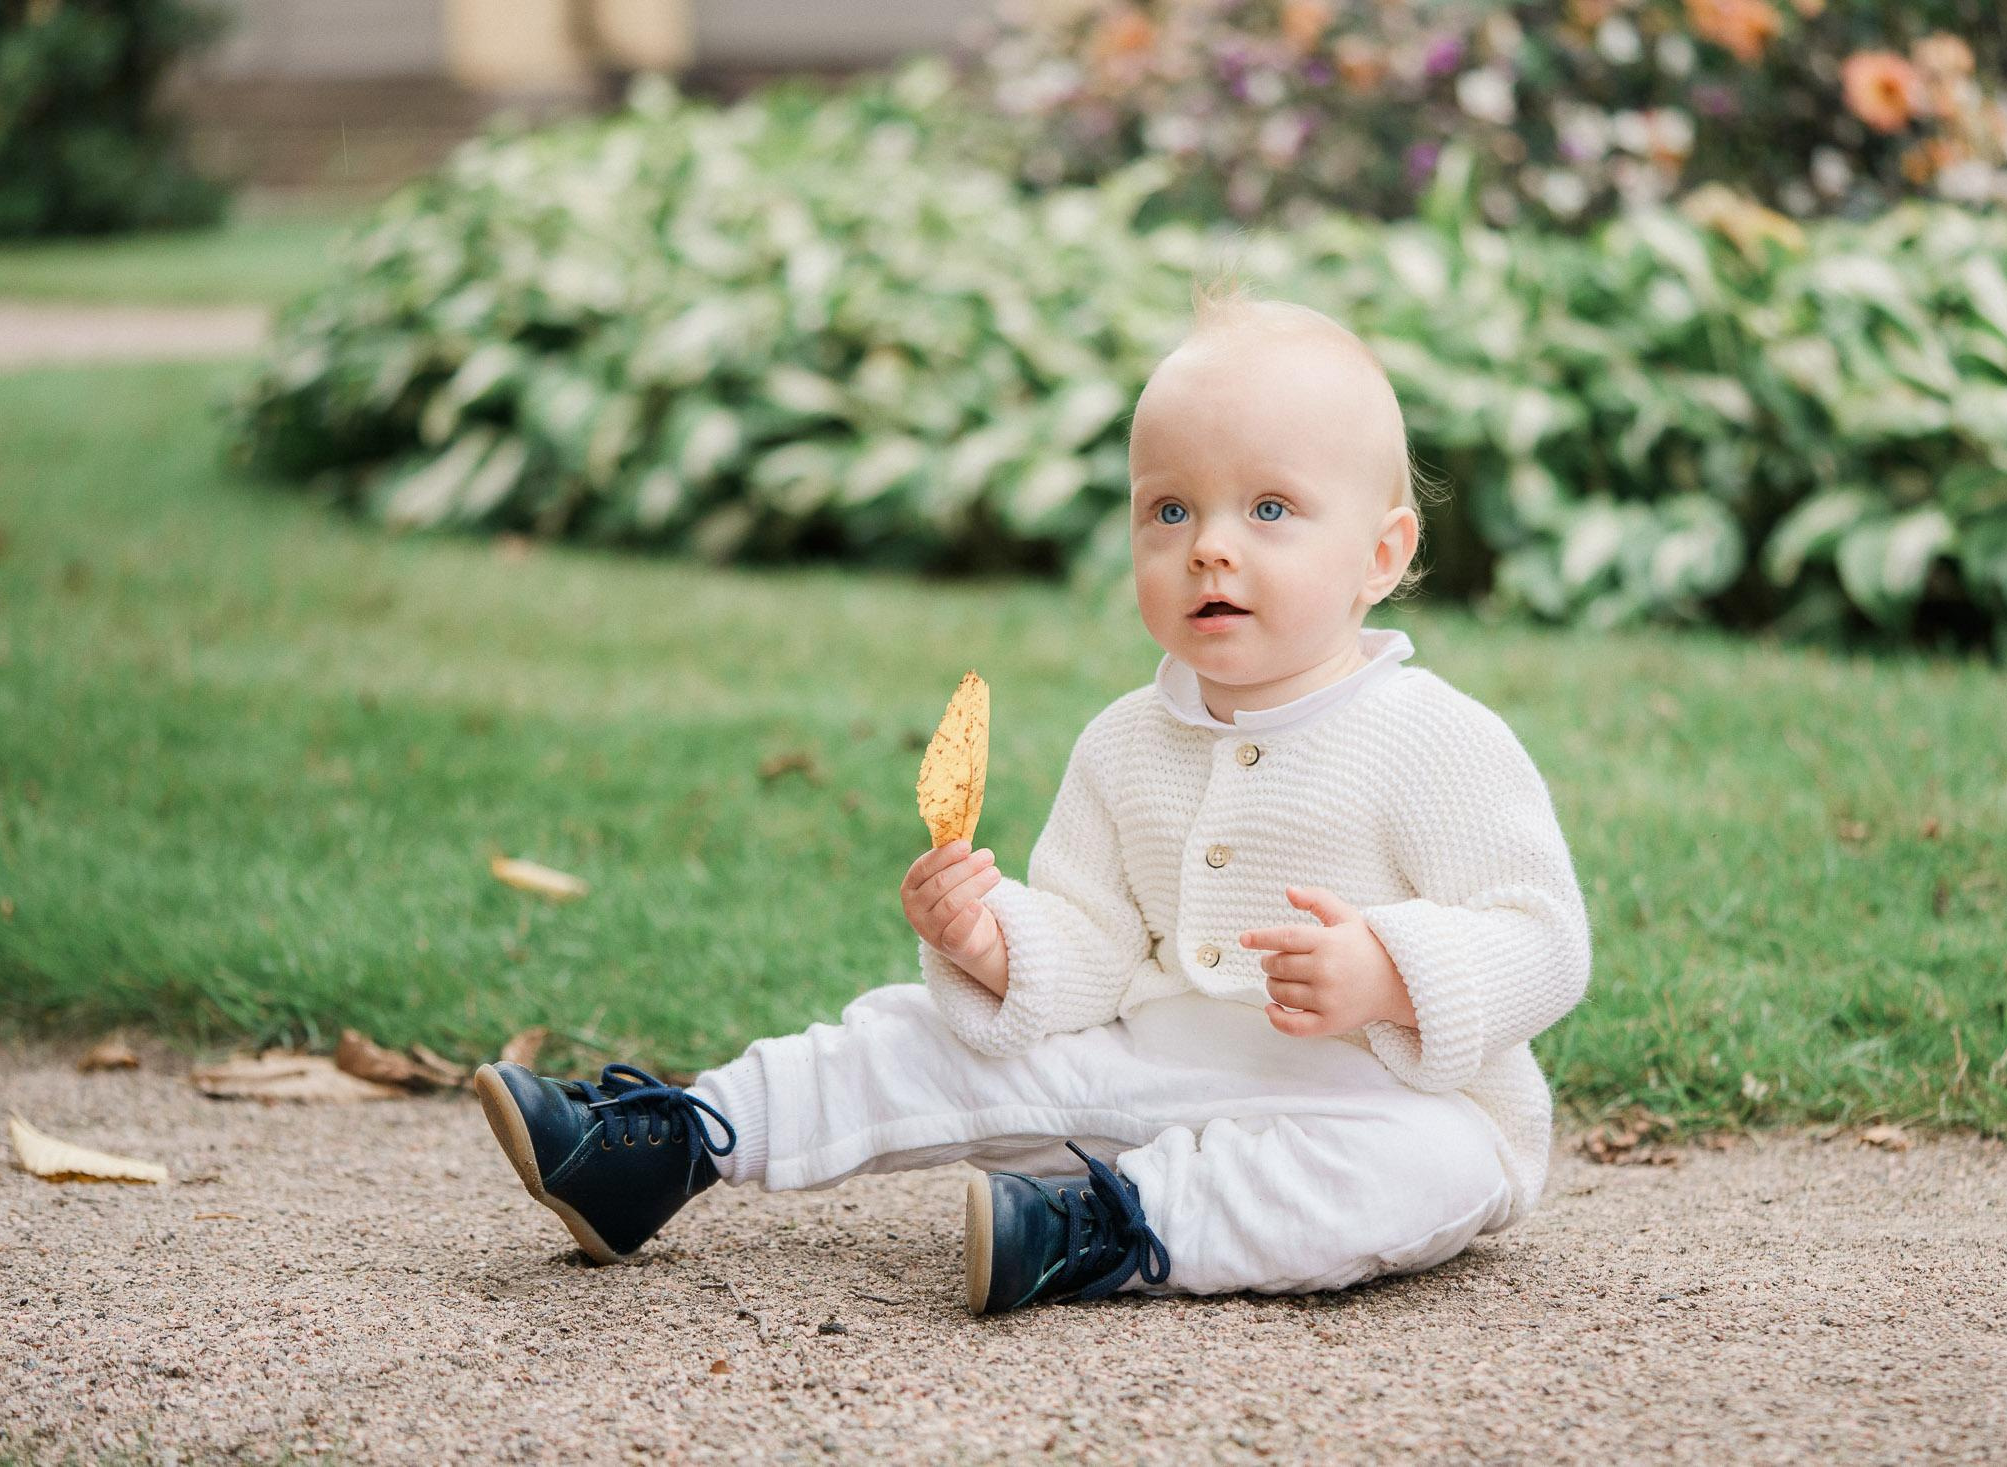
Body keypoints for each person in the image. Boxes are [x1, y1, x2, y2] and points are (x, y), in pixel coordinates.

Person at [472, 278, 1594, 1314]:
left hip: (1371, 1101)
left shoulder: (1433, 738)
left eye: (1268, 510)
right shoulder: (1127, 742)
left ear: (1380, 555)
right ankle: (675, 1141)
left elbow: (1542, 937)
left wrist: (1391, 973)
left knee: (1430, 1168)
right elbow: (1090, 935)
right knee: (912, 1028)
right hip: (1151, 1067)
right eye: (1169, 512)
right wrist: (995, 943)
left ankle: (1103, 1229)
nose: (1209, 548)